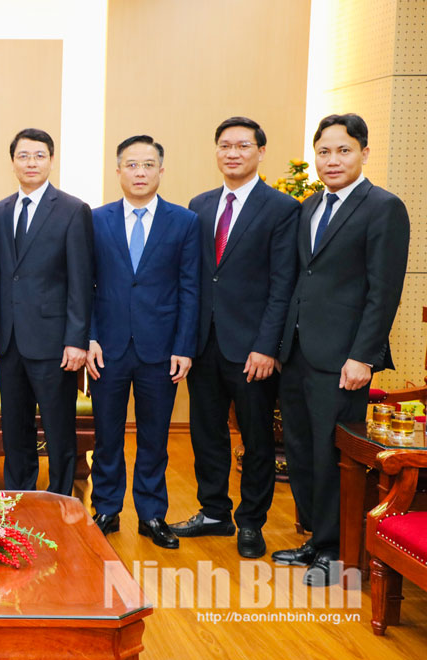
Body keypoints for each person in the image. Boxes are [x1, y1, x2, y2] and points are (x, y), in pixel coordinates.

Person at [273, 113, 409, 586]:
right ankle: (316, 538)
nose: (332, 160)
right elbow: (303, 278)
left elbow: (383, 291)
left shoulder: (383, 207)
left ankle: (337, 552)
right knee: (300, 450)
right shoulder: (310, 205)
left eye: (343, 151)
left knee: (334, 457)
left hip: (343, 358)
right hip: (298, 352)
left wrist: (363, 356)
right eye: (324, 152)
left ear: (364, 153)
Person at [169, 117, 299, 559]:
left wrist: (267, 346)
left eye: (243, 145)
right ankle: (213, 512)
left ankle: (251, 521)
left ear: (261, 152)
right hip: (204, 342)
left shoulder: (282, 208)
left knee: (257, 437)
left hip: (252, 348)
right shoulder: (200, 205)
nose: (233, 153)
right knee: (206, 433)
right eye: (225, 145)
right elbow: (195, 277)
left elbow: (283, 285)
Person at [85, 134, 200, 549]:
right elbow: (85, 285)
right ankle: (106, 508)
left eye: (148, 165)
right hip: (107, 348)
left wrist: (184, 346)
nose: (140, 172)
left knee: (154, 436)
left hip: (161, 350)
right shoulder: (95, 220)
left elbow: (190, 289)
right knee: (107, 435)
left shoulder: (184, 221)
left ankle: (152, 514)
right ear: (118, 170)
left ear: (161, 171)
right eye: (131, 165)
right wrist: (89, 336)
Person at [0, 128, 92, 496]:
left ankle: (60, 497)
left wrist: (76, 340)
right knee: (14, 428)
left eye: (39, 155)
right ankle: (19, 496)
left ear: (51, 160)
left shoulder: (72, 210)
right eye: (23, 156)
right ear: (13, 162)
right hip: (10, 340)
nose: (31, 163)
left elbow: (81, 281)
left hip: (54, 342)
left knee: (58, 427)